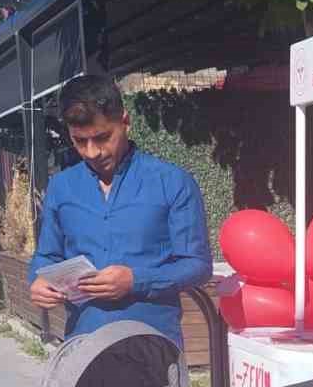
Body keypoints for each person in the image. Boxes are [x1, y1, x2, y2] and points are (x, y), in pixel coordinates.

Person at [28, 74, 211, 341]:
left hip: (153, 344)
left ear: (125, 121)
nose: (92, 152)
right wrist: (38, 280)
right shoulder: (61, 186)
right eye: (80, 141)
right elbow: (46, 255)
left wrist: (136, 281)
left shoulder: (172, 183)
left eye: (102, 137)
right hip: (83, 343)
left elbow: (197, 265)